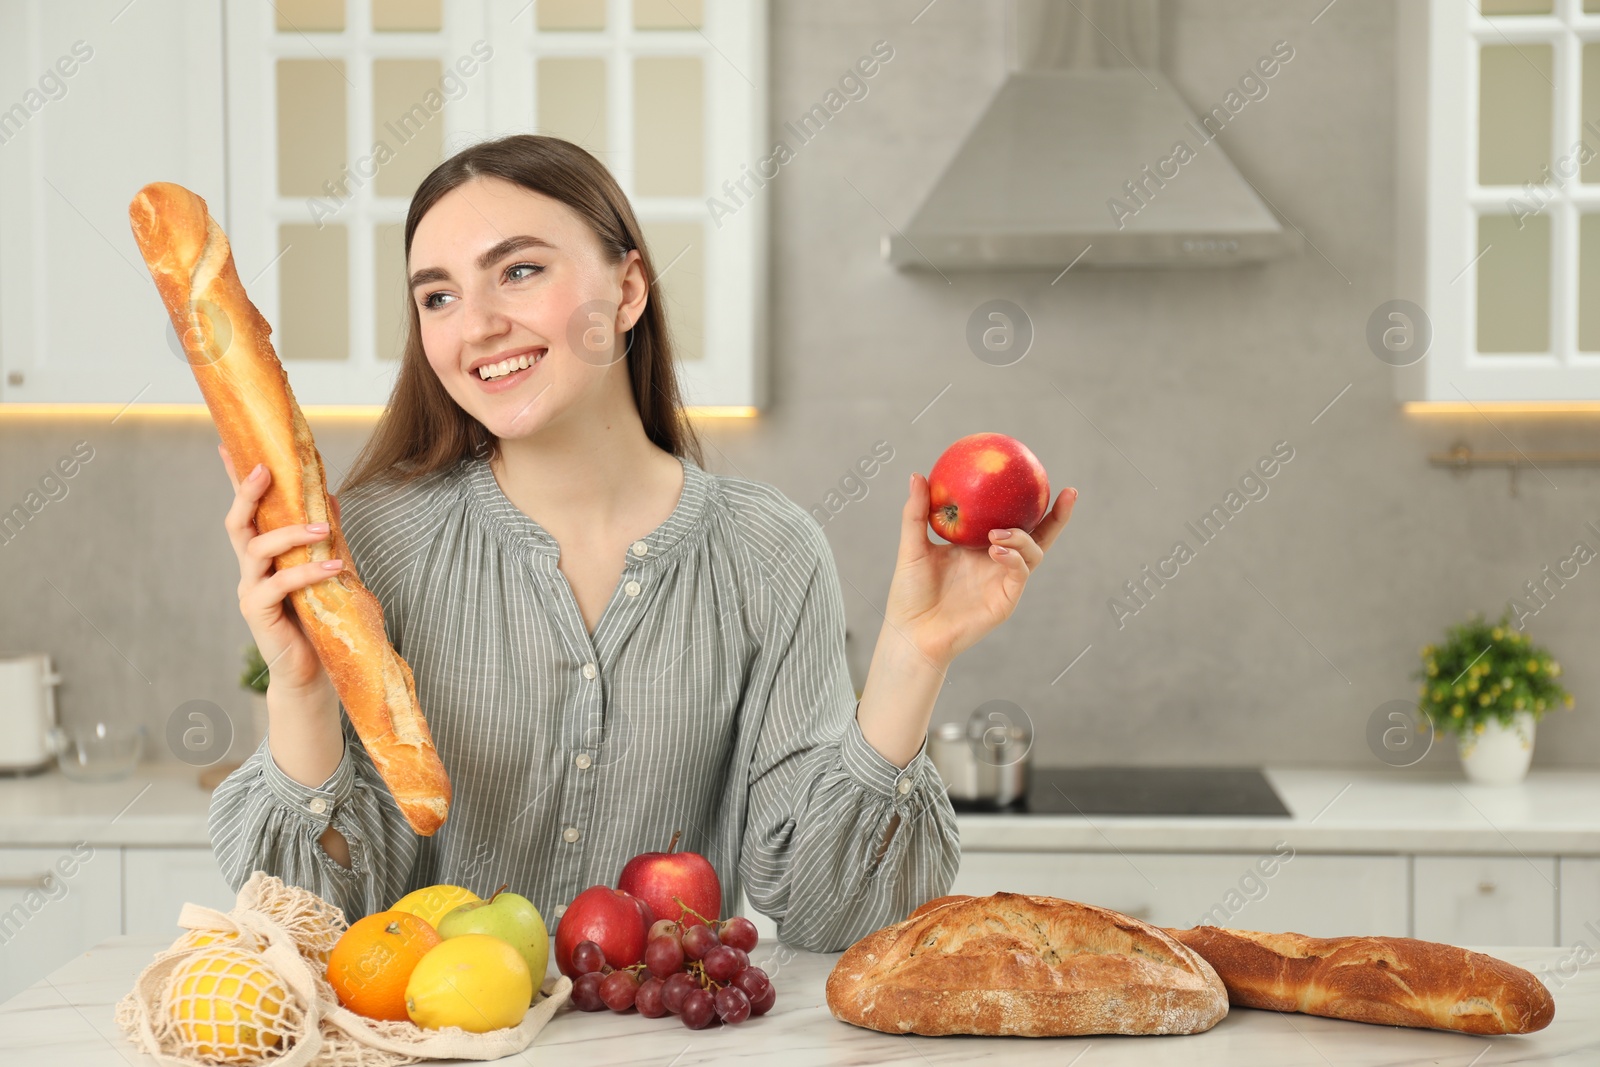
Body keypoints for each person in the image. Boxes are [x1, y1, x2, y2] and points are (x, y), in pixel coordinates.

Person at [208, 135, 1077, 952]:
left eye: (517, 270)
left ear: (627, 290)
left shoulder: (766, 551)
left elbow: (835, 911)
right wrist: (303, 688)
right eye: (437, 295)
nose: (474, 326)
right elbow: (310, 919)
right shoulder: (369, 548)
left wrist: (911, 657)